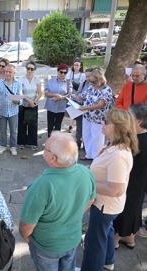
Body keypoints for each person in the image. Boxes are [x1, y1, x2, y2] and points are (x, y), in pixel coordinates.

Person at [19, 132, 95, 271]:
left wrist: (28, 238)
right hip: (72, 239)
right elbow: (91, 199)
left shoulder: (42, 185)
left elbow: (26, 226)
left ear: (53, 158)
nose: (43, 148)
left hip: (47, 245)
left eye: (45, 147)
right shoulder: (85, 172)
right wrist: (73, 213)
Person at [81, 109, 139, 271]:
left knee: (94, 243)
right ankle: (108, 261)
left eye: (106, 121)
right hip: (106, 205)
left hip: (104, 205)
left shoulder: (119, 155)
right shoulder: (113, 145)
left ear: (118, 127)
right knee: (106, 233)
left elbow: (115, 189)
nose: (102, 123)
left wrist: (88, 181)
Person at [113, 103, 147, 246]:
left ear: (138, 122)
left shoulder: (134, 140)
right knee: (135, 207)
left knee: (123, 208)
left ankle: (114, 240)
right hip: (141, 182)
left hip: (130, 180)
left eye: (129, 115)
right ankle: (130, 237)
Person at [73, 68, 113, 160]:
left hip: (98, 118)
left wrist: (86, 108)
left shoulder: (106, 89)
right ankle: (89, 155)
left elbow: (101, 104)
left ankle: (97, 158)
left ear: (100, 80)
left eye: (94, 81)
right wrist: (73, 96)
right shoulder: (91, 87)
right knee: (87, 136)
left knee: (97, 138)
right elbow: (82, 96)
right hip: (87, 116)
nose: (91, 83)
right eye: (90, 81)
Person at [0, 64, 22, 156]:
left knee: (13, 131)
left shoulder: (18, 83)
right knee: (2, 130)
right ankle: (3, 145)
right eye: (6, 71)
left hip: (13, 111)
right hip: (2, 111)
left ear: (14, 73)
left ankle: (12, 146)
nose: (7, 73)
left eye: (10, 72)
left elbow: (21, 97)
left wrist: (18, 101)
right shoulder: (0, 83)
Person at [17, 61, 42, 151]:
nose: (30, 70)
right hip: (23, 103)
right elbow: (20, 92)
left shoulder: (37, 79)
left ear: (34, 70)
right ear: (26, 69)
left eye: (32, 69)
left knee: (33, 124)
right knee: (22, 123)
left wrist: (34, 101)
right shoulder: (21, 79)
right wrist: (28, 101)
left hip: (33, 104)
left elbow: (40, 93)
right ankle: (21, 142)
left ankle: (32, 143)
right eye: (28, 68)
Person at [44, 64, 71, 138]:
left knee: (58, 126)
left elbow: (69, 94)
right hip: (51, 107)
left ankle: (56, 142)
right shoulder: (51, 81)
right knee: (50, 125)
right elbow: (46, 93)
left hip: (61, 108)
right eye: (61, 72)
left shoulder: (68, 83)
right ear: (57, 71)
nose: (63, 74)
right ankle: (49, 141)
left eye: (65, 73)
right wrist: (55, 95)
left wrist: (60, 97)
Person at [72, 67, 94, 149]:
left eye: (89, 76)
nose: (88, 78)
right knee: (79, 127)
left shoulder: (96, 85)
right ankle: (78, 142)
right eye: (86, 76)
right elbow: (79, 93)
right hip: (81, 108)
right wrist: (75, 97)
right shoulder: (84, 83)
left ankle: (86, 145)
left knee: (89, 129)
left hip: (90, 111)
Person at [66, 58, 86, 133]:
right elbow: (67, 82)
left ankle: (71, 125)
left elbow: (82, 86)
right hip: (70, 95)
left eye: (77, 65)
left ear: (80, 66)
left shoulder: (82, 75)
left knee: (75, 111)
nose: (75, 67)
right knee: (67, 112)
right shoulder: (70, 73)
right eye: (74, 65)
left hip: (78, 95)